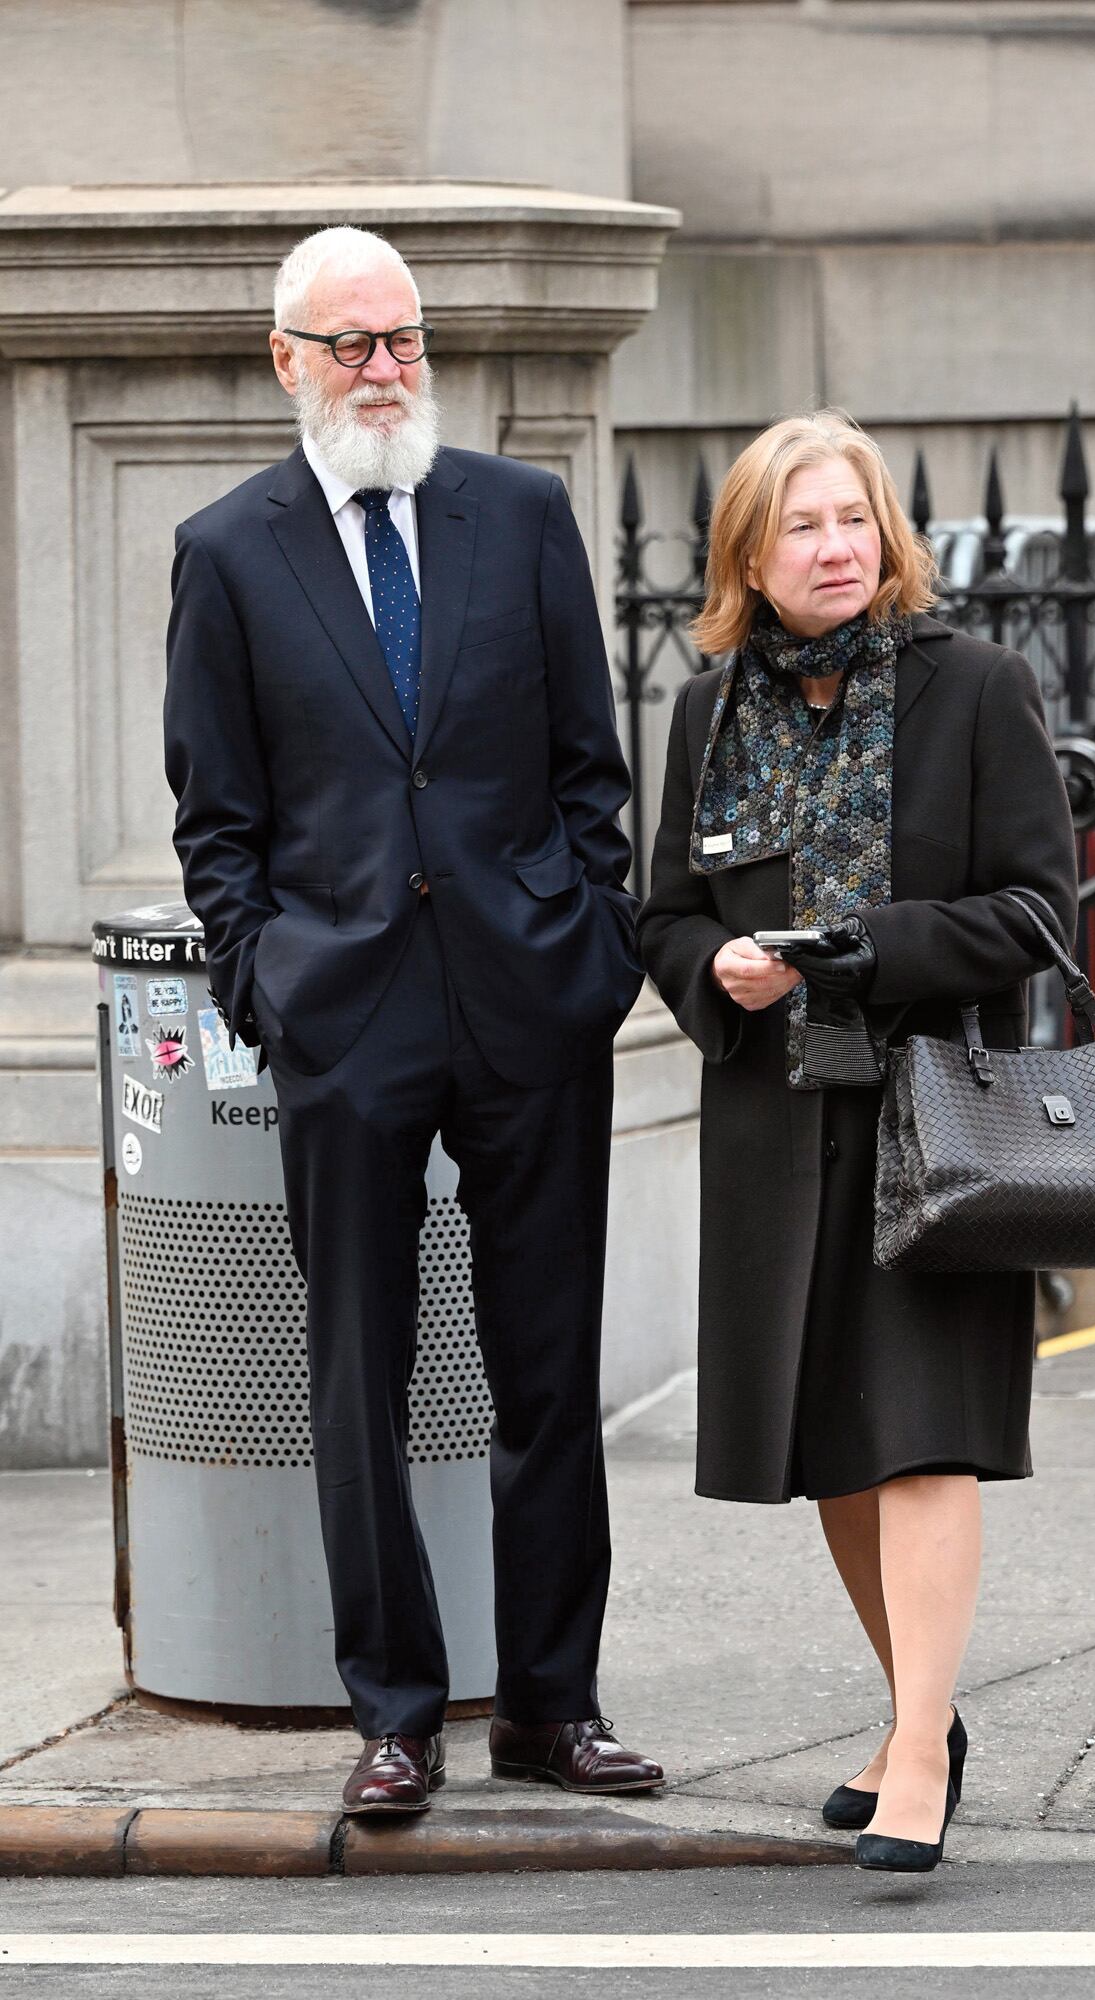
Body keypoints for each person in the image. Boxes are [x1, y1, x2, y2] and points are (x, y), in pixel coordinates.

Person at [164, 225, 662, 1812]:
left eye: (404, 339)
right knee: (356, 1375)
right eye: (352, 344)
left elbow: (591, 766)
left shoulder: (518, 513)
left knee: (545, 1372)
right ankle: (393, 1709)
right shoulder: (228, 550)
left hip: (529, 1000)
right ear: (285, 362)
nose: (386, 370)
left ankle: (548, 1704)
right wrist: (267, 980)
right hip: (344, 1015)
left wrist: (590, 945)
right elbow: (216, 819)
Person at [638, 410, 1077, 1872]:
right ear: (748, 559)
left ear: (885, 536)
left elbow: (1032, 918)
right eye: (800, 528)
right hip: (775, 1121)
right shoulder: (709, 715)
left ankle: (913, 1761)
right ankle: (918, 1714)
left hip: (933, 1114)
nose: (833, 549)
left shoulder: (973, 689)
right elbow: (666, 919)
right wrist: (720, 972)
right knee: (832, 1450)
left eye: (852, 521)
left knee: (921, 1442)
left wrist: (849, 951)